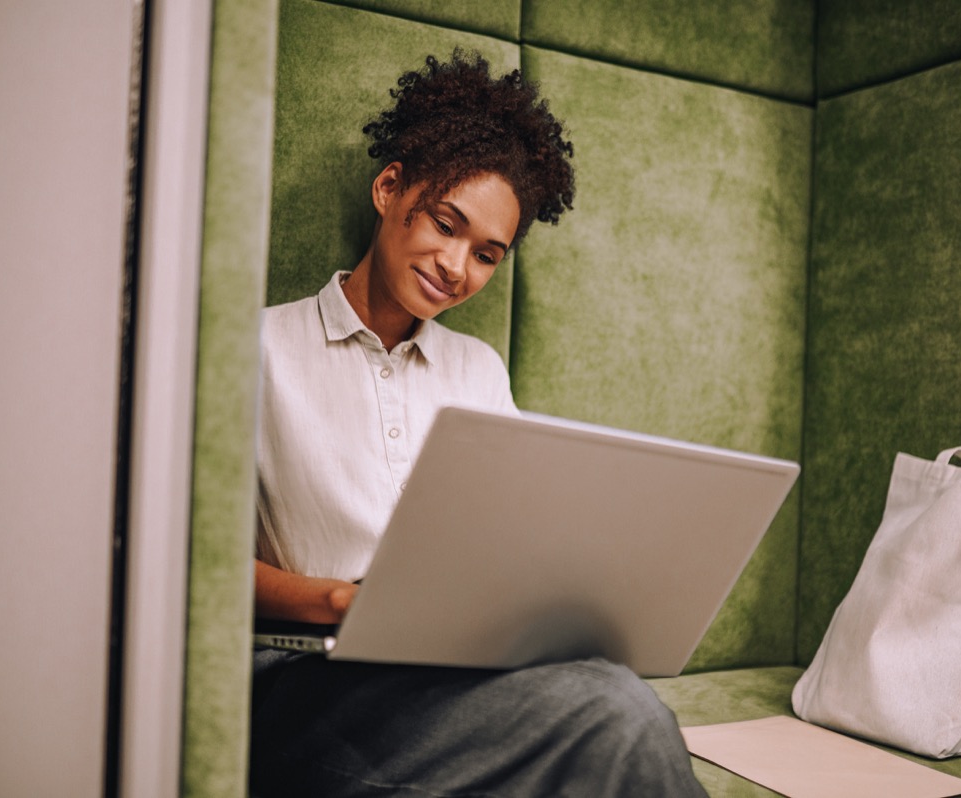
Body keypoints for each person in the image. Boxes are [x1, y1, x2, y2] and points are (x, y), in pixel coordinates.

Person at [251, 50, 706, 797]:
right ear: (389, 186)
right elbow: (181, 570)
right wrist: (338, 599)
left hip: (453, 675)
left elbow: (510, 546)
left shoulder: (478, 370)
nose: (457, 266)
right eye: (445, 223)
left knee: (608, 690)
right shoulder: (257, 349)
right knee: (617, 717)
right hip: (306, 681)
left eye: (486, 254)